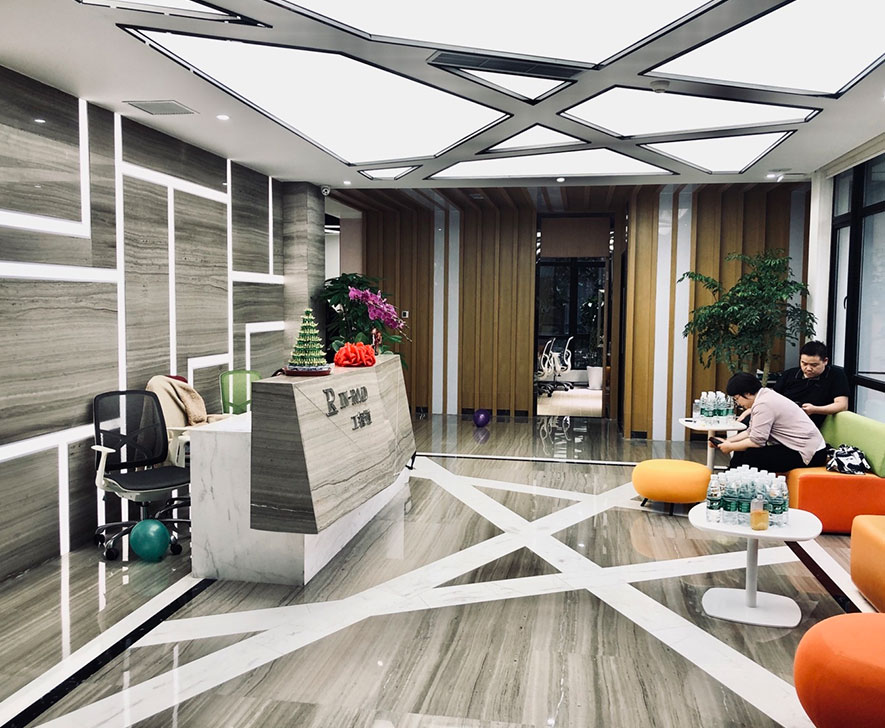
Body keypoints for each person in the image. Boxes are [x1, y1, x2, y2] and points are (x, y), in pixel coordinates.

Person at [714, 372, 828, 473]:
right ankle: (732, 477)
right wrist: (727, 441)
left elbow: (757, 441)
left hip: (809, 453)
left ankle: (737, 482)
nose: (738, 403)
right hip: (800, 447)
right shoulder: (764, 396)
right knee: (743, 450)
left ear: (747, 393)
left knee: (751, 456)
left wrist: (731, 447)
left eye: (737, 398)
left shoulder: (763, 404)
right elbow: (751, 432)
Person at [772, 340, 849, 427]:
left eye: (814, 365)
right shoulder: (789, 374)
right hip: (782, 421)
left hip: (810, 424)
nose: (808, 368)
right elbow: (773, 399)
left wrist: (815, 409)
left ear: (825, 361)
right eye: (804, 363)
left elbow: (842, 405)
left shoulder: (835, 375)